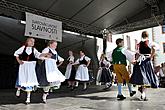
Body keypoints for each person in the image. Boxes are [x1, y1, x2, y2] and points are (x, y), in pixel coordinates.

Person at [14, 37, 49, 104]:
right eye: (31, 41)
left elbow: (38, 55)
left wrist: (45, 54)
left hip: (31, 66)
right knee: (22, 78)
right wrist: (18, 61)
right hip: (23, 65)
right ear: (27, 42)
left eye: (33, 42)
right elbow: (16, 54)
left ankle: (28, 98)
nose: (33, 43)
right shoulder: (23, 48)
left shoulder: (34, 49)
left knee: (30, 80)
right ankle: (18, 89)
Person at [130, 31, 159, 101]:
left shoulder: (139, 43)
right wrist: (151, 57)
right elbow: (154, 49)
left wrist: (135, 60)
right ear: (148, 36)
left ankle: (143, 93)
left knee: (142, 78)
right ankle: (143, 94)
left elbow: (137, 53)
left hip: (140, 61)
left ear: (142, 36)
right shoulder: (150, 42)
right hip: (147, 61)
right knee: (146, 78)